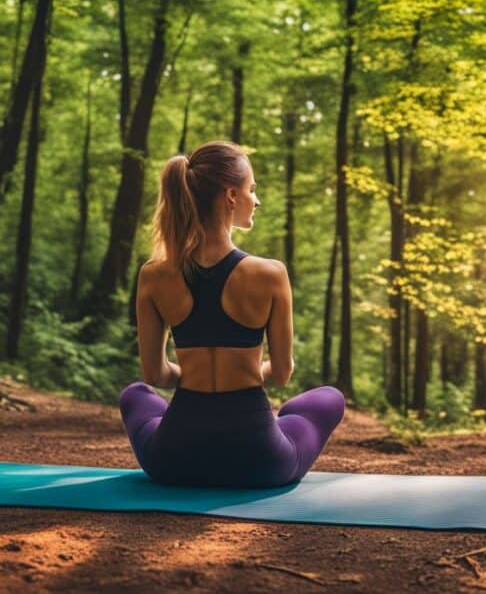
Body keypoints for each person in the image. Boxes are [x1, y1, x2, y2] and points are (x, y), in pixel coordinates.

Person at [119, 140, 346, 489]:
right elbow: (283, 372)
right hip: (259, 461)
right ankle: (283, 424)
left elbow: (155, 374)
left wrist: (198, 378)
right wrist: (237, 376)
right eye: (251, 189)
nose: (256, 200)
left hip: (174, 460)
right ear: (229, 196)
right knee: (328, 398)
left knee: (134, 394)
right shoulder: (270, 274)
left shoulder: (153, 274)